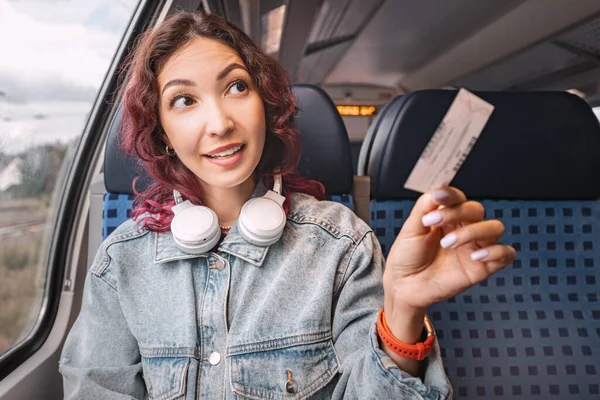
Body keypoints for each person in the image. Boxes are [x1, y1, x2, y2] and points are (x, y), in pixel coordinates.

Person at [59, 11, 516, 400]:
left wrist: (401, 311)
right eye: (184, 100)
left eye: (236, 87)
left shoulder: (342, 244)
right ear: (162, 134)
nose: (219, 123)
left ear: (265, 103)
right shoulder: (121, 261)